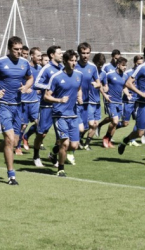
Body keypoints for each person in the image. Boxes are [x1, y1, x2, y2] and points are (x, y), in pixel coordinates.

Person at [0, 36, 33, 185]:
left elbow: (30, 78)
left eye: (20, 49)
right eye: (15, 49)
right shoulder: (0, 62)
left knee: (14, 141)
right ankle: (11, 176)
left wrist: (26, 87)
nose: (19, 52)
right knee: (10, 140)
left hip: (18, 106)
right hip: (3, 105)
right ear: (9, 49)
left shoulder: (25, 63)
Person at [118, 43, 145, 166]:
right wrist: (141, 94)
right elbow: (128, 83)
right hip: (142, 105)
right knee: (140, 133)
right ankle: (125, 141)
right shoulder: (141, 67)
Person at [45, 49, 83, 177]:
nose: (74, 63)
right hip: (59, 114)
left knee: (74, 145)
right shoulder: (56, 77)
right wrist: (59, 100)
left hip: (73, 114)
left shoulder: (79, 75)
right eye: (71, 61)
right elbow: (46, 96)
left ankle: (54, 151)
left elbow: (78, 88)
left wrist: (80, 97)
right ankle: (60, 169)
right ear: (65, 61)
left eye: (75, 60)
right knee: (65, 143)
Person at [32, 46, 63, 167]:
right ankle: (35, 155)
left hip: (59, 106)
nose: (61, 55)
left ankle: (53, 155)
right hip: (46, 106)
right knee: (42, 133)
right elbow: (36, 84)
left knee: (61, 134)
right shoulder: (46, 69)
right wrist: (50, 87)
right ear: (52, 55)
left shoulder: (62, 68)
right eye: (59, 53)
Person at [75, 42, 101, 150]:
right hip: (74, 102)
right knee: (79, 128)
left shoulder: (92, 67)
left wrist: (96, 84)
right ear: (79, 53)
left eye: (88, 53)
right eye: (83, 53)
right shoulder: (73, 65)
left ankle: (77, 141)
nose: (85, 55)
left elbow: (99, 82)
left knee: (85, 127)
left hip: (86, 102)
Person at [16, 47, 42, 155]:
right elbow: (17, 81)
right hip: (24, 101)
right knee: (23, 125)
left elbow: (41, 81)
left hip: (35, 101)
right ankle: (17, 146)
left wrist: (40, 88)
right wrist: (24, 88)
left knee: (40, 124)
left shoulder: (40, 68)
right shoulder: (24, 67)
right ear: (32, 56)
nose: (40, 58)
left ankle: (26, 136)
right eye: (38, 56)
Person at [101, 57, 128, 148]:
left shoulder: (125, 76)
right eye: (123, 65)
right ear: (118, 65)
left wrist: (128, 94)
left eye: (126, 66)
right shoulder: (109, 74)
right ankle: (105, 137)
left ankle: (109, 140)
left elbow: (124, 87)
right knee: (115, 121)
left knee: (115, 124)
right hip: (111, 101)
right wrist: (104, 92)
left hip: (119, 102)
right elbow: (101, 83)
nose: (125, 67)